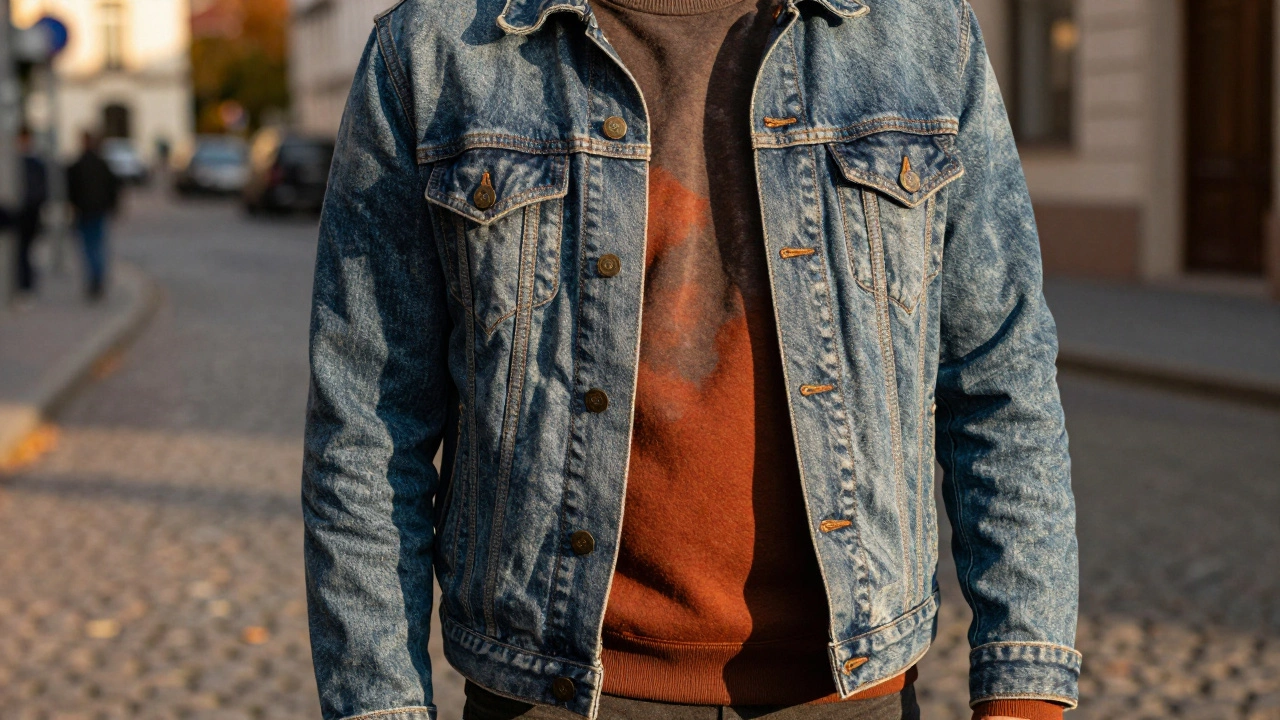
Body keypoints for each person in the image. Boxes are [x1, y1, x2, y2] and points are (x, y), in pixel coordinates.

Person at [302, 1, 1079, 720]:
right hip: (552, 692)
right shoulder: (437, 49)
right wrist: (381, 704)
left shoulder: (918, 33)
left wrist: (1026, 687)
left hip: (848, 694)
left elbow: (1000, 377)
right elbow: (366, 431)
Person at [66, 130, 120, 300]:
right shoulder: (101, 163)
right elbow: (113, 187)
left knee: (89, 247)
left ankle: (94, 279)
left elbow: (71, 190)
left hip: (84, 211)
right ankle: (97, 278)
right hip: (97, 210)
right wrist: (113, 206)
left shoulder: (78, 164)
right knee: (97, 245)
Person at [12, 127, 48, 299]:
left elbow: (41, 191)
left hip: (27, 214)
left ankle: (25, 285)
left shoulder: (33, 163)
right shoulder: (14, 162)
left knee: (24, 252)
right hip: (20, 213)